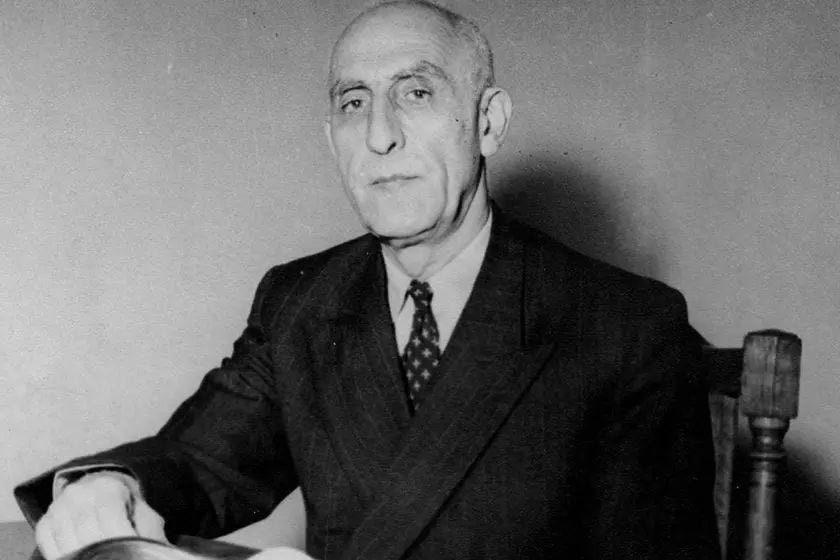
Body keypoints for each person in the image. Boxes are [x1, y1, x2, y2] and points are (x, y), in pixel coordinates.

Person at [15, 1, 720, 559]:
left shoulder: (626, 326)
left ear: (488, 122)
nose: (380, 135)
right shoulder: (299, 300)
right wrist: (112, 483)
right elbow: (202, 461)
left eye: (416, 92)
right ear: (332, 139)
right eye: (353, 102)